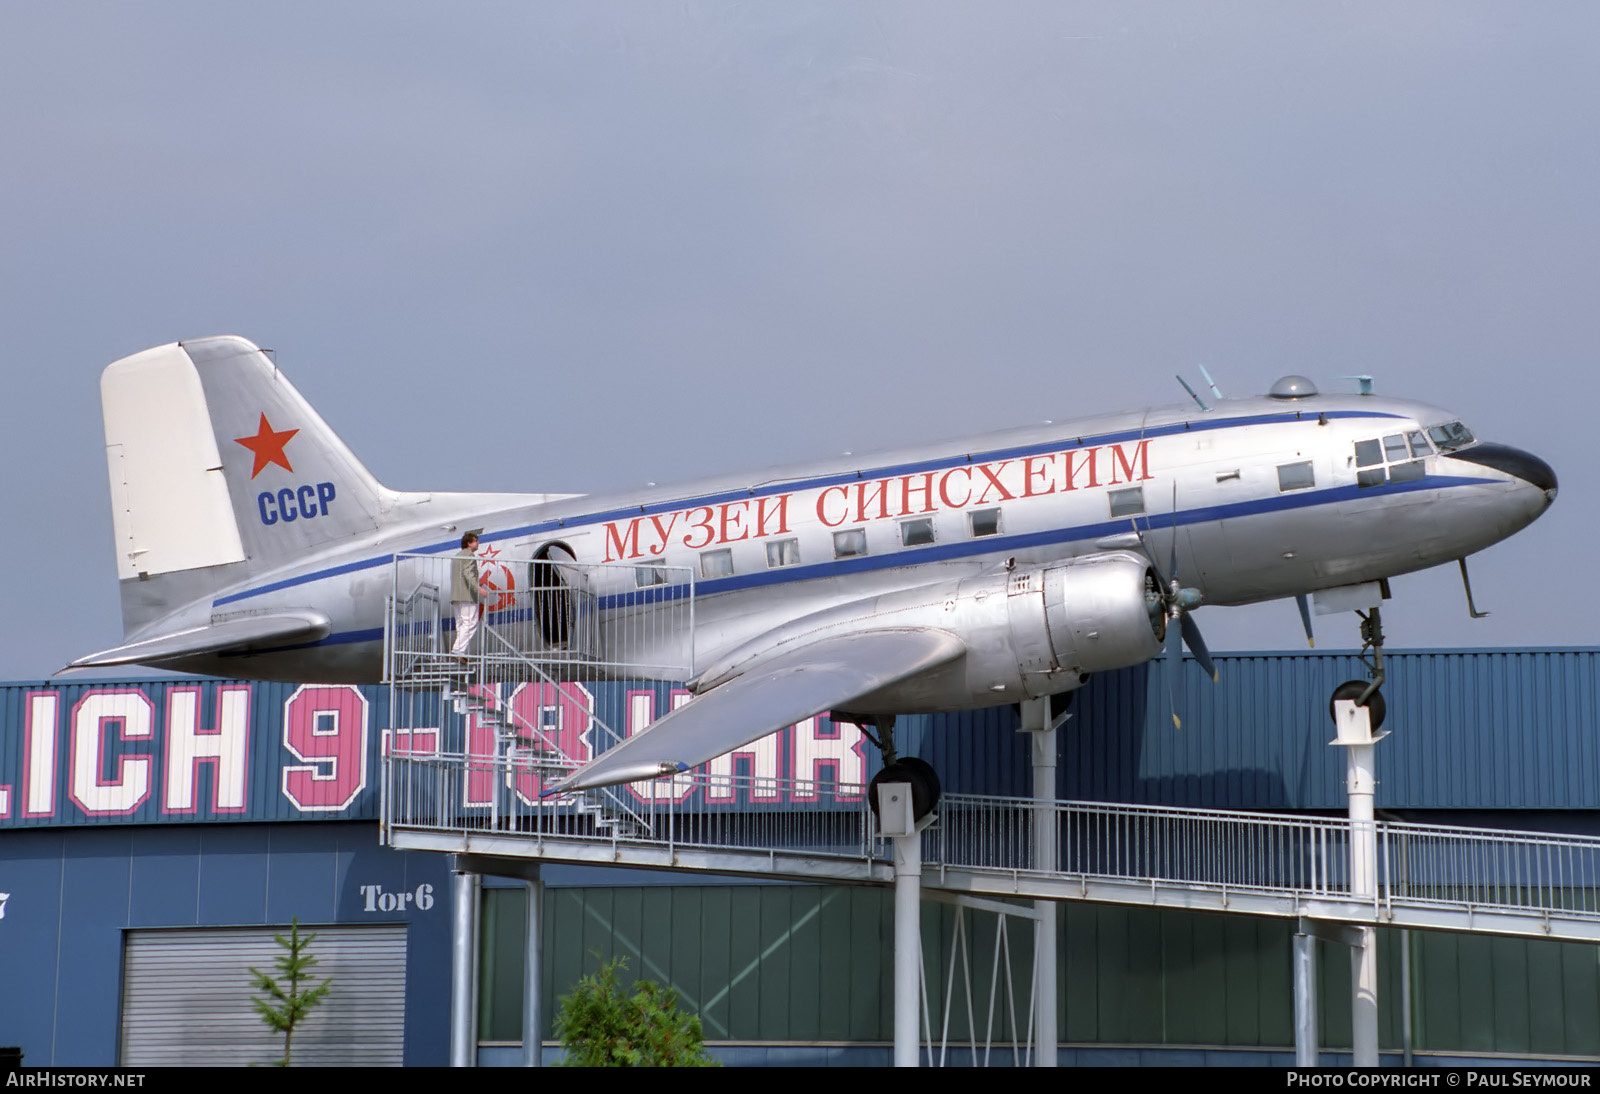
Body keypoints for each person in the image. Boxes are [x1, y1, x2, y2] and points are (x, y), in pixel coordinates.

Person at [450, 531, 482, 662]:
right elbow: (469, 574)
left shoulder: (456, 556)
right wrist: (479, 588)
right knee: (471, 623)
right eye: (476, 541)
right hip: (466, 595)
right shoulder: (469, 555)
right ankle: (457, 650)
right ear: (469, 543)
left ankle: (460, 651)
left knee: (461, 625)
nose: (478, 543)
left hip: (456, 595)